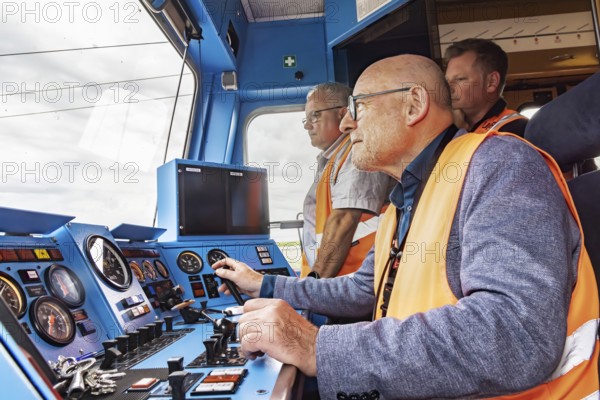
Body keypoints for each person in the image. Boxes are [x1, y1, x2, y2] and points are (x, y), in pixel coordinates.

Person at [213, 55, 599, 399]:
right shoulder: (403, 201)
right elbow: (364, 289)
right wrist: (265, 285)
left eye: (357, 106)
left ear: (414, 104)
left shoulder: (500, 165)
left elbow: (517, 335)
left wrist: (317, 346)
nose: (347, 123)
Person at [299, 82, 392, 278]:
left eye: (315, 115)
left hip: (354, 283)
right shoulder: (333, 159)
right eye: (306, 119)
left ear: (342, 114)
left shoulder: (355, 153)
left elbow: (344, 220)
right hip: (337, 283)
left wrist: (314, 287)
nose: (308, 125)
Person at [445, 38, 528, 135]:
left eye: (460, 79)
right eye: (446, 81)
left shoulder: (516, 130)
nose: (448, 88)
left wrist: (459, 133)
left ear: (491, 82)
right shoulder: (457, 126)